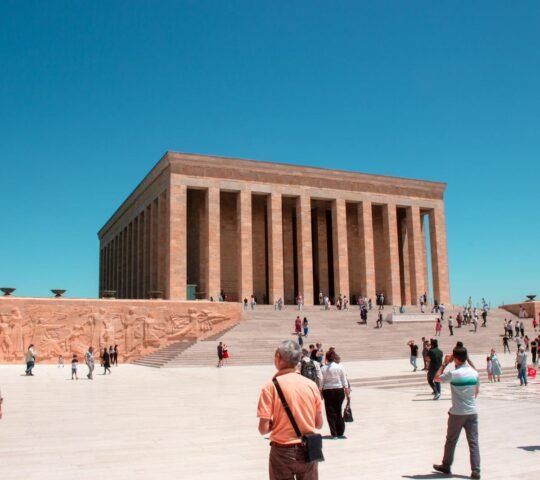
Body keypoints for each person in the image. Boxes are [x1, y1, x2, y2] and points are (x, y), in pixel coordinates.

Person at [257, 340, 323, 480]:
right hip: (309, 449)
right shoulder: (311, 385)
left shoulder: (270, 387)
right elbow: (319, 424)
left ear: (279, 357)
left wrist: (276, 423)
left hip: (282, 452)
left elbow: (263, 429)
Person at [433, 345, 480, 479]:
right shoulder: (474, 373)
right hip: (472, 411)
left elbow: (436, 378)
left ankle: (446, 465)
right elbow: (476, 392)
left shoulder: (454, 374)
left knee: (451, 440)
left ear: (456, 359)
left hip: (457, 413)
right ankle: (476, 470)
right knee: (473, 442)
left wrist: (444, 363)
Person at [321, 350, 350, 438]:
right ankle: (340, 432)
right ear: (334, 358)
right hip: (339, 390)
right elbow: (344, 380)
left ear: (326, 358)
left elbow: (321, 382)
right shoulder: (339, 367)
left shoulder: (323, 368)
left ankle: (334, 433)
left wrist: (320, 393)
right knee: (338, 410)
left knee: (330, 412)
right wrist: (347, 392)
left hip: (328, 391)